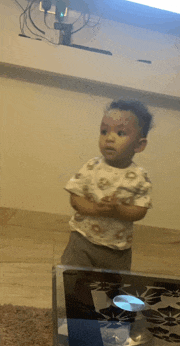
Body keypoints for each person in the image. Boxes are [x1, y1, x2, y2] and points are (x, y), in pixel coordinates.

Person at [61, 98, 153, 272]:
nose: (109, 138)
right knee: (72, 278)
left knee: (113, 286)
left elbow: (140, 210)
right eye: (104, 131)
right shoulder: (91, 166)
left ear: (139, 145)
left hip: (118, 247)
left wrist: (117, 211)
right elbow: (75, 197)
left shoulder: (140, 177)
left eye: (120, 133)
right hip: (82, 239)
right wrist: (95, 209)